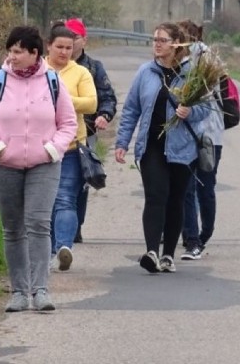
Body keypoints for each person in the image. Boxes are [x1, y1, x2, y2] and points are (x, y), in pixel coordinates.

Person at [0, 25, 77, 312]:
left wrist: (52, 149)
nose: (12, 56)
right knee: (13, 229)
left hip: (44, 166)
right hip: (5, 166)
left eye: (18, 51)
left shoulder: (53, 82)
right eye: (10, 51)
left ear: (34, 53)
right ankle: (19, 291)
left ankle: (41, 289)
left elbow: (68, 123)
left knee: (39, 224)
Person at [114, 22, 210, 273]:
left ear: (176, 45)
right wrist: (122, 142)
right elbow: (131, 109)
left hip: (182, 148)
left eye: (162, 40)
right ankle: (152, 251)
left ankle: (168, 254)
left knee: (175, 199)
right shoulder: (145, 72)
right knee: (155, 197)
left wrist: (190, 111)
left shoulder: (193, 74)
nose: (156, 44)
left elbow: (206, 108)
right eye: (154, 39)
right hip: (152, 147)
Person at [45, 24, 97, 271]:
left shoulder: (81, 73)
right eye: (59, 47)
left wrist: (62, 97)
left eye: (68, 47)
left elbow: (91, 103)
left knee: (66, 198)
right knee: (47, 202)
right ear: (48, 46)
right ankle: (48, 247)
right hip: (40, 148)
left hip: (72, 147)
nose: (65, 52)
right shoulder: (37, 70)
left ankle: (64, 247)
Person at [65, 17, 117, 244]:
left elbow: (108, 97)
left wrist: (104, 116)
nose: (70, 43)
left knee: (82, 180)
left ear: (83, 40)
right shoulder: (50, 66)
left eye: (74, 38)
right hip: (54, 133)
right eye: (66, 38)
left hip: (86, 134)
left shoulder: (94, 68)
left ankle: (76, 224)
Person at [177, 19, 225, 261]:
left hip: (205, 132)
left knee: (197, 186)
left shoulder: (204, 59)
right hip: (202, 134)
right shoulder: (176, 59)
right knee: (199, 186)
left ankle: (197, 237)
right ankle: (197, 237)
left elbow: (207, 91)